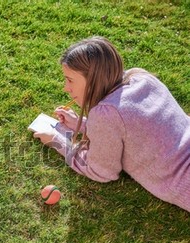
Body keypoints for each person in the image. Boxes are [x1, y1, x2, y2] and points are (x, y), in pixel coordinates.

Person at [34, 36, 190, 212]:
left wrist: (58, 141)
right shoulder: (141, 77)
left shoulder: (106, 114)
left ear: (92, 79)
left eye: (70, 80)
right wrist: (84, 124)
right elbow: (133, 127)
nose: (66, 88)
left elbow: (101, 171)